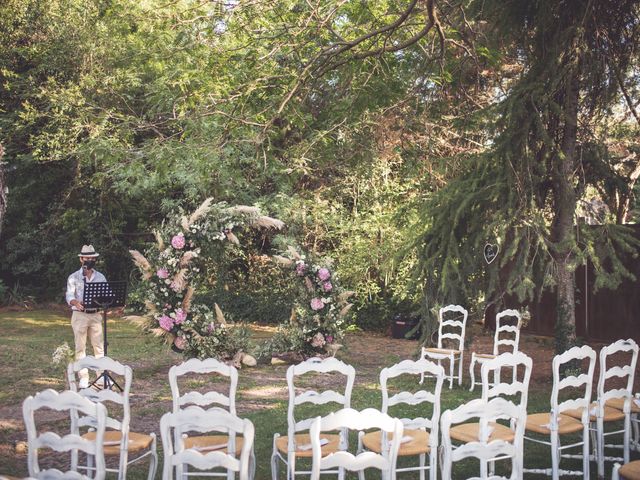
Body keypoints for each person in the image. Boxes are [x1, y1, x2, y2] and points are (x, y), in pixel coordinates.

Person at [65, 244, 107, 388]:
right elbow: (69, 295)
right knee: (80, 347)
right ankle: (83, 377)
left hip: (95, 314)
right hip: (79, 315)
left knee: (99, 347)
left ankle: (101, 377)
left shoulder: (100, 277)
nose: (89, 260)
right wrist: (75, 302)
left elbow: (106, 295)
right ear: (81, 259)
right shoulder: (73, 277)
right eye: (86, 258)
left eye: (91, 258)